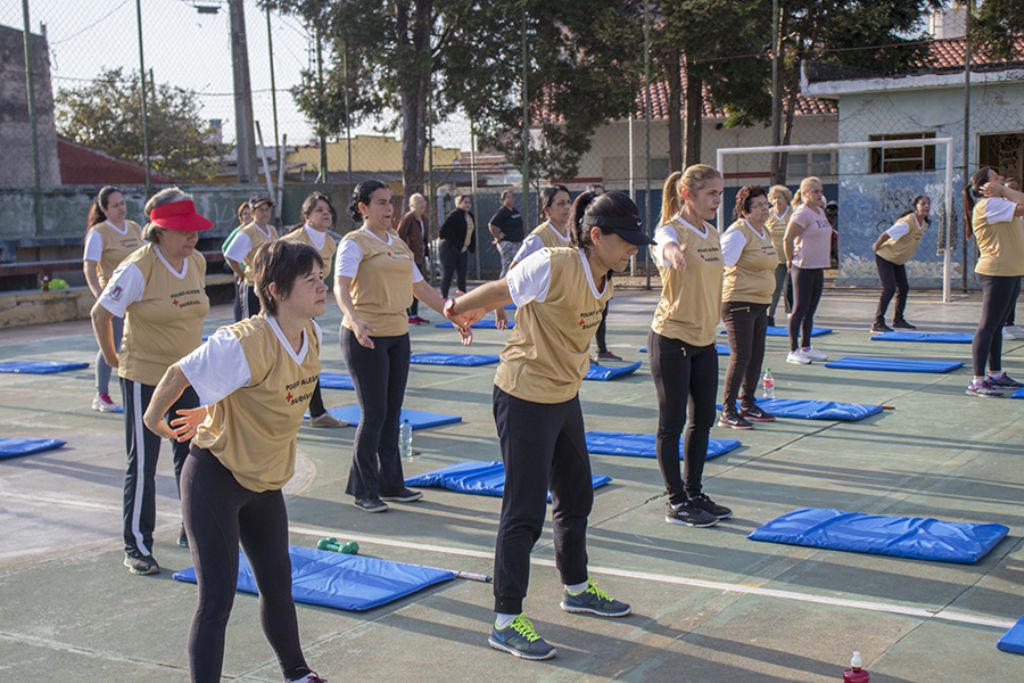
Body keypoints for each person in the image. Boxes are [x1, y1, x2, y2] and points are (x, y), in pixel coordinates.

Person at [445, 190, 648, 660]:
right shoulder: (554, 263)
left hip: (562, 398)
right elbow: (503, 289)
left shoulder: (606, 277)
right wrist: (460, 308)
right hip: (522, 397)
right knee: (524, 510)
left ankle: (576, 589)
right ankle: (504, 618)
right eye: (626, 240)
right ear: (596, 236)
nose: (633, 249)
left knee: (577, 496)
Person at [142, 239, 328, 683]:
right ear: (277, 291)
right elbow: (177, 373)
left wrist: (214, 405)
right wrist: (153, 418)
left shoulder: (311, 334)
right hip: (216, 480)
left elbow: (252, 392)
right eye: (311, 280)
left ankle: (297, 673)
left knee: (278, 586)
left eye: (323, 277)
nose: (322, 287)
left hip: (265, 483)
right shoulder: (245, 341)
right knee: (217, 600)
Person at [90, 187, 211, 575]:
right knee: (143, 462)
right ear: (159, 230)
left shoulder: (197, 263)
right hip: (145, 377)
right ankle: (137, 545)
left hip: (187, 375)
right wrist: (113, 359)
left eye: (194, 229)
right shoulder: (138, 267)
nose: (192, 236)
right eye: (183, 230)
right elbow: (100, 313)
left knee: (192, 458)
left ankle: (190, 530)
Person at [334, 181, 471, 512]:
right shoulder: (354, 243)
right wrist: (354, 319)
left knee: (393, 412)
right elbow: (340, 286)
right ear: (363, 208)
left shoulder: (396, 243)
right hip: (365, 334)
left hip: (397, 334)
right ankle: (363, 489)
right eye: (380, 203)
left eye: (390, 203)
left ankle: (391, 483)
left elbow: (421, 287)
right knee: (374, 412)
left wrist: (452, 314)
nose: (388, 209)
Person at [650, 165, 730, 529]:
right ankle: (675, 501)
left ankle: (694, 492)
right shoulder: (671, 230)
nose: (718, 199)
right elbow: (663, 245)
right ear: (688, 195)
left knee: (703, 421)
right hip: (673, 338)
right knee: (672, 423)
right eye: (711, 193)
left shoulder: (712, 232)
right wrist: (673, 255)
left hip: (704, 339)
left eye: (719, 192)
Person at [282, 192, 347, 429]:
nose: (326, 213)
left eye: (328, 209)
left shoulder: (329, 242)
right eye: (319, 210)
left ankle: (317, 413)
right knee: (283, 358)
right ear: (307, 216)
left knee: (308, 356)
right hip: (283, 307)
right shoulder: (292, 240)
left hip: (307, 308)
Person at [718, 185, 777, 430]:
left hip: (760, 302)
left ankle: (748, 403)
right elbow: (720, 264)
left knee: (755, 356)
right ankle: (728, 411)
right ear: (745, 211)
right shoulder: (738, 233)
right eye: (759, 206)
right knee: (741, 356)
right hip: (738, 302)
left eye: (767, 205)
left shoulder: (764, 231)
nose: (765, 210)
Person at [962, 167, 1024, 397]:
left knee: (998, 326)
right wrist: (1003, 192)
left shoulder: (1002, 204)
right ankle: (977, 381)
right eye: (996, 178)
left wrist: (1004, 191)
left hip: (1011, 271)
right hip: (996, 272)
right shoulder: (990, 205)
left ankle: (995, 375)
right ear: (984, 187)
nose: (1001, 181)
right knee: (987, 326)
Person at [83, 186, 143, 413]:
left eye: (122, 204)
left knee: (137, 343)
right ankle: (102, 394)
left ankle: (137, 388)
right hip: (115, 297)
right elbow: (89, 266)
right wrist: (100, 295)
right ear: (104, 209)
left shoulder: (135, 228)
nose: (121, 209)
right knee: (111, 343)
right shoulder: (99, 232)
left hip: (136, 298)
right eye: (115, 205)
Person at [495, 185, 574, 329]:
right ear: (547, 210)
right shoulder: (538, 238)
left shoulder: (571, 235)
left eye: (569, 202)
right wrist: (498, 307)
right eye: (561, 203)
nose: (567, 207)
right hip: (539, 316)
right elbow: (512, 271)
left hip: (560, 310)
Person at [783, 177, 834, 365]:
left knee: (811, 310)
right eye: (815, 191)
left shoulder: (819, 211)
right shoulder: (802, 214)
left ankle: (806, 346)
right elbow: (787, 239)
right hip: (802, 267)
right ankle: (793, 350)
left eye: (821, 191)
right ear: (805, 194)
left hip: (817, 266)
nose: (820, 195)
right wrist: (790, 261)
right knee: (799, 309)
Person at [870, 196, 931, 333]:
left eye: (928, 204)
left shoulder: (924, 224)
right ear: (916, 206)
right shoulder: (906, 223)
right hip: (885, 257)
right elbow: (885, 235)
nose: (926, 206)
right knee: (889, 288)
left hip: (898, 260)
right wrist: (876, 246)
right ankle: (877, 322)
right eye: (923, 204)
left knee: (903, 288)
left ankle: (898, 320)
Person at [225, 195, 279, 320]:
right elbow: (230, 255)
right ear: (253, 212)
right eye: (261, 209)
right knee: (250, 323)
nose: (265, 213)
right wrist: (243, 274)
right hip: (252, 285)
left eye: (267, 209)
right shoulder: (248, 232)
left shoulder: (272, 230)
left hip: (269, 283)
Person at [397, 192, 432, 324]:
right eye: (418, 203)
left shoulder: (424, 219)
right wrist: (404, 253)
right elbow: (399, 236)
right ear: (411, 205)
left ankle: (414, 313)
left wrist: (426, 253)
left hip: (419, 258)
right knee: (408, 287)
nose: (422, 205)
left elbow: (424, 239)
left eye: (423, 202)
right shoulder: (408, 218)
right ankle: (407, 314)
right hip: (408, 258)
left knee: (417, 286)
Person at [438, 194, 476, 298]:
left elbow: (471, 232)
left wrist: (470, 246)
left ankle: (462, 298)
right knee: (448, 274)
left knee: (462, 275)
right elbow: (443, 232)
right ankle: (444, 298)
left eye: (469, 202)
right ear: (459, 204)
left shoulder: (470, 216)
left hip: (462, 250)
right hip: (449, 249)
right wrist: (454, 243)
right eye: (465, 202)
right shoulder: (454, 215)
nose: (468, 205)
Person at [765, 185, 793, 326]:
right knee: (774, 287)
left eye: (780, 197)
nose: (777, 201)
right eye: (774, 198)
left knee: (791, 289)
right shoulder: (768, 214)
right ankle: (770, 316)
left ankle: (793, 317)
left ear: (786, 199)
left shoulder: (792, 213)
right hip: (774, 258)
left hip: (792, 257)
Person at [223, 201, 253, 322]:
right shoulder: (240, 232)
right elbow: (225, 248)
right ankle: (239, 321)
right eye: (245, 214)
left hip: (252, 274)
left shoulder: (255, 231)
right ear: (240, 218)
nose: (248, 216)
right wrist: (239, 267)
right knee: (240, 299)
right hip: (242, 271)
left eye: (249, 213)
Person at [488, 190, 524, 280]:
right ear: (503, 200)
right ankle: (500, 286)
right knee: (509, 266)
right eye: (508, 197)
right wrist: (498, 236)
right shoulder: (502, 212)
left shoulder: (515, 211)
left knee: (517, 265)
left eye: (512, 197)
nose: (511, 199)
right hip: (508, 243)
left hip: (518, 242)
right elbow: (491, 225)